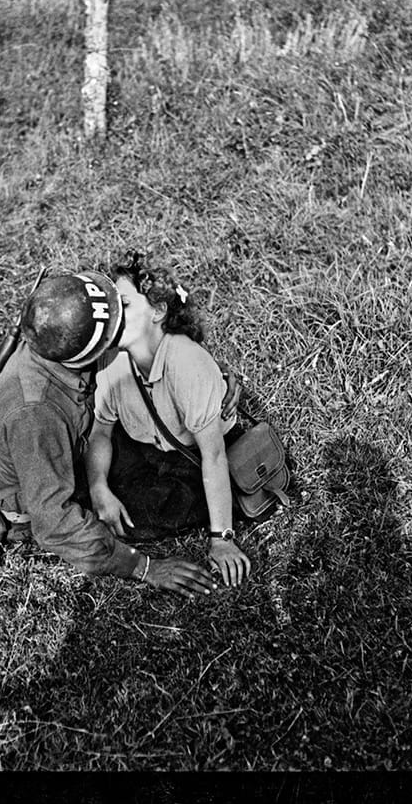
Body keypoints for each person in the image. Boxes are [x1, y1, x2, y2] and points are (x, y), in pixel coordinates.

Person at [0, 269, 230, 599]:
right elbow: (54, 525)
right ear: (86, 354)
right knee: (169, 506)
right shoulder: (35, 415)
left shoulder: (56, 334)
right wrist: (144, 567)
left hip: (74, 444)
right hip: (33, 490)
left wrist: (215, 384)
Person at [85, 251, 253, 589]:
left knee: (141, 515)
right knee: (88, 483)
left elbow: (214, 455)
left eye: (127, 305)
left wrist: (222, 538)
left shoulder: (186, 362)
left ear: (158, 311)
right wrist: (98, 486)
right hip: (144, 445)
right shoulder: (114, 360)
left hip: (195, 456)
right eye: (112, 305)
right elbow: (101, 432)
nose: (115, 315)